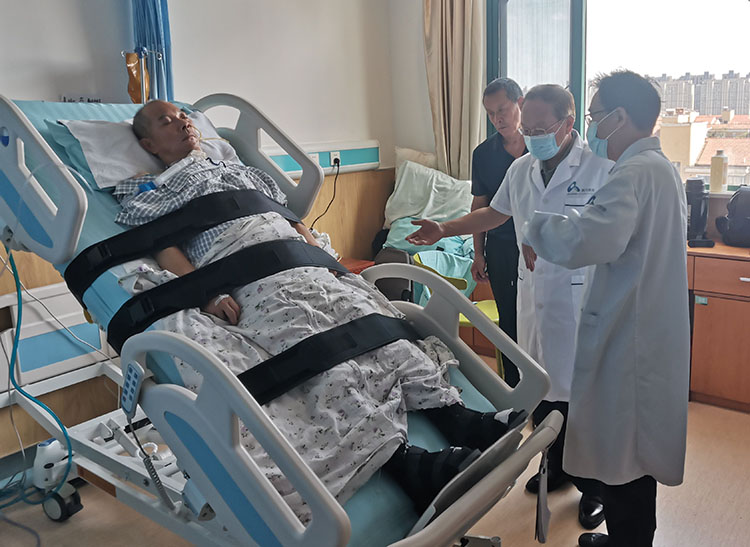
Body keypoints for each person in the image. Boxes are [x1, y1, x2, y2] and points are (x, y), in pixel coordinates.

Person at [113, 100, 522, 521]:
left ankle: (456, 418)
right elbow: (165, 246)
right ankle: (409, 467)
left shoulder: (240, 171)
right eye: (166, 121)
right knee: (318, 350)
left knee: (375, 326)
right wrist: (208, 294)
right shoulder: (155, 191)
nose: (182, 123)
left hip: (303, 263)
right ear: (148, 144)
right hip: (247, 273)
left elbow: (290, 219)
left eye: (183, 116)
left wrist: (323, 260)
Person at [406, 84, 612, 531]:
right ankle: (557, 467)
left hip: (581, 303)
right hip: (535, 298)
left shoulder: (600, 168)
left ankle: (596, 488)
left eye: (540, 129)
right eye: (529, 130)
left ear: (568, 124)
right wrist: (444, 228)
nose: (531, 137)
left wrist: (553, 234)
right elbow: (495, 213)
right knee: (542, 389)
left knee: (585, 399)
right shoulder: (521, 169)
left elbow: (605, 230)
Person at [521, 71, 690, 547]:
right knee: (632, 455)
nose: (594, 128)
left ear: (620, 117)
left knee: (625, 459)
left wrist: (534, 227)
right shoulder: (660, 170)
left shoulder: (633, 175)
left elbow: (586, 239)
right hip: (642, 331)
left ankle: (627, 542)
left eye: (596, 116)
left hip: (628, 340)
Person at [470, 78, 527, 387]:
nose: (497, 119)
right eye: (490, 114)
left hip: (540, 247)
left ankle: (547, 389)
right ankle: (514, 388)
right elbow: (480, 205)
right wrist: (478, 253)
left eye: (502, 110)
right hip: (502, 246)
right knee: (509, 318)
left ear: (520, 103)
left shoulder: (543, 145)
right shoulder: (483, 154)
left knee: (538, 317)